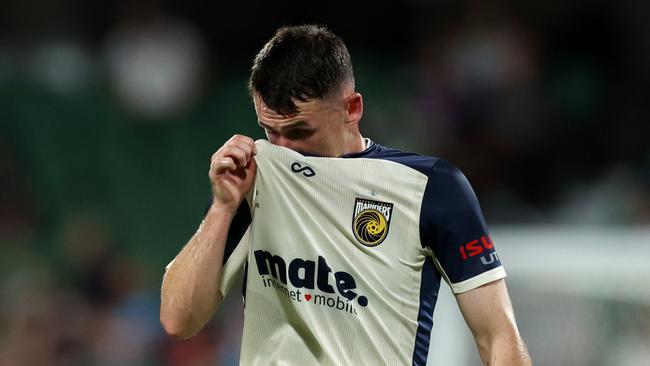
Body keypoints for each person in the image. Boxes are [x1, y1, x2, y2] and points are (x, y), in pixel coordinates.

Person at [160, 24, 532, 365]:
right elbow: (179, 320)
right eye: (270, 131)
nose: (283, 147)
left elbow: (497, 335)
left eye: (300, 131)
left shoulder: (432, 187)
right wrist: (223, 208)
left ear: (351, 108)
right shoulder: (255, 176)